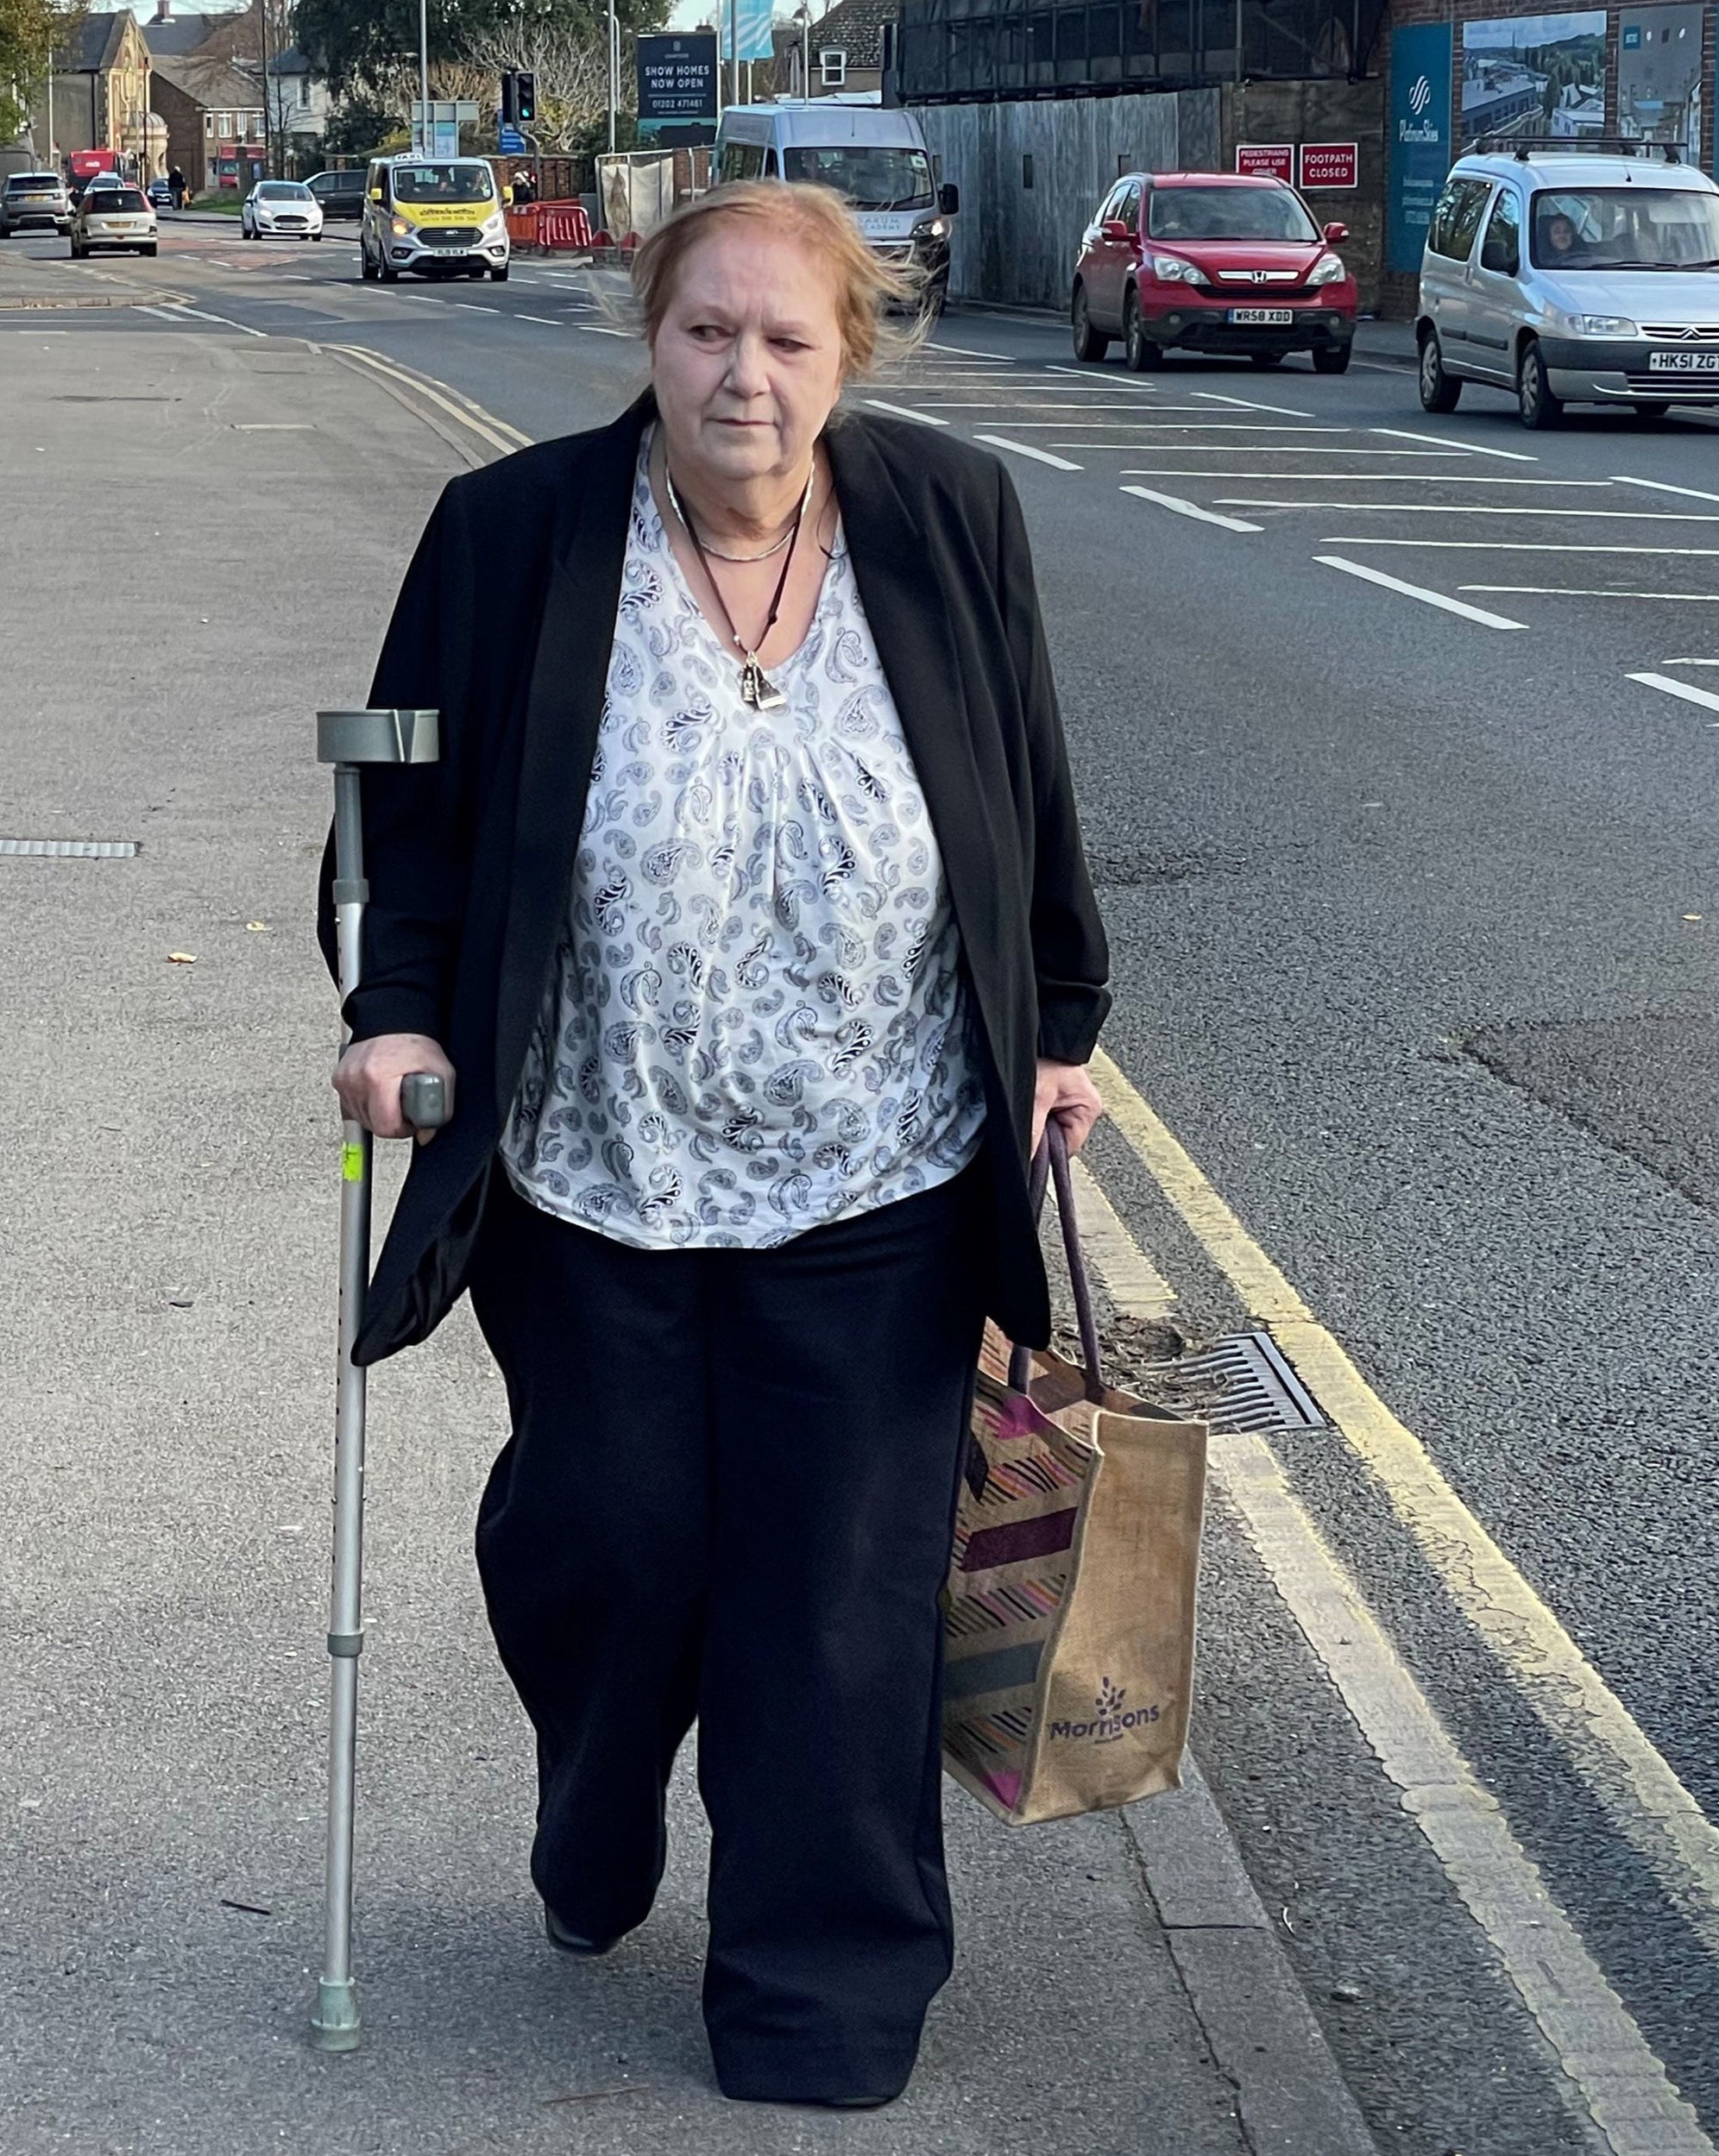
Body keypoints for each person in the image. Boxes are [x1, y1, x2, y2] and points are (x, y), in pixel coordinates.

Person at [326, 179, 1109, 2109]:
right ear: (645, 338)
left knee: (835, 1593)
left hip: (881, 1169)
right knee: (615, 1541)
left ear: (848, 354)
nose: (741, 375)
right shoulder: (511, 537)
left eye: (785, 339)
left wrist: (1060, 1028)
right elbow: (395, 826)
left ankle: (815, 1991)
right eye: (704, 333)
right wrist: (392, 1012)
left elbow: (1020, 786)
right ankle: (596, 1811)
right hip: (595, 1167)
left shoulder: (943, 522)